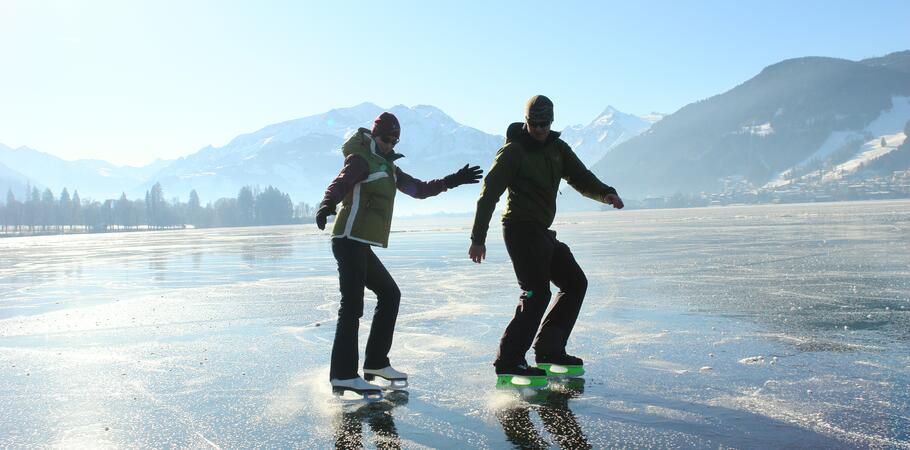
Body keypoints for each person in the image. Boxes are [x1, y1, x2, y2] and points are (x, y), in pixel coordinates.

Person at [316, 111, 483, 397]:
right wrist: (327, 203)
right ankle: (343, 375)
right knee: (352, 306)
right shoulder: (361, 159)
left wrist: (453, 180)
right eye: (385, 138)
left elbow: (418, 189)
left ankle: (376, 363)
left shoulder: (388, 166)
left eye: (395, 140)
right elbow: (341, 181)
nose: (390, 144)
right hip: (347, 239)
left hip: (361, 243)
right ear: (375, 135)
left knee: (390, 294)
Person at [468, 95, 624, 385]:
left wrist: (605, 193)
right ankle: (509, 361)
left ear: (552, 122)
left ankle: (550, 351)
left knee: (575, 283)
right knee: (536, 293)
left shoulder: (557, 148)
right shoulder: (513, 152)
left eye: (545, 123)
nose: (540, 129)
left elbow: (581, 176)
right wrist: (478, 238)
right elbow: (489, 194)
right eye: (535, 123)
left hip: (541, 232)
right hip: (519, 229)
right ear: (527, 122)